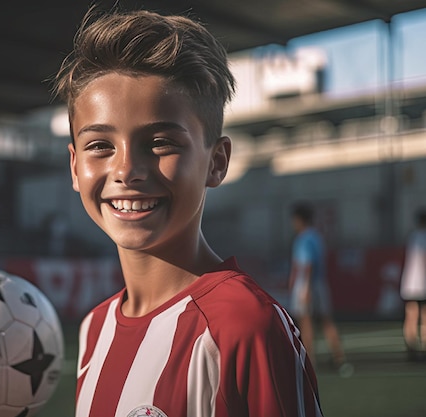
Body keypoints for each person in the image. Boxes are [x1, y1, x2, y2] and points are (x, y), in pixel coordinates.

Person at [52, 6, 322, 417]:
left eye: (160, 143)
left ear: (217, 162)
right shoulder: (94, 329)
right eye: (100, 146)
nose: (126, 170)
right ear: (75, 167)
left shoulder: (246, 325)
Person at [288, 202, 351, 376]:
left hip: (308, 285)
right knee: (326, 322)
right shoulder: (316, 237)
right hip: (319, 284)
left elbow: (306, 265)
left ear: (300, 220)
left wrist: (303, 288)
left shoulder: (304, 238)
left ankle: (310, 363)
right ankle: (339, 358)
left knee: (306, 324)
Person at [400, 207, 426, 361]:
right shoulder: (422, 237)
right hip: (422, 282)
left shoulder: (413, 236)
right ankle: (422, 347)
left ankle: (411, 347)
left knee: (411, 314)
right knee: (424, 316)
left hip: (410, 283)